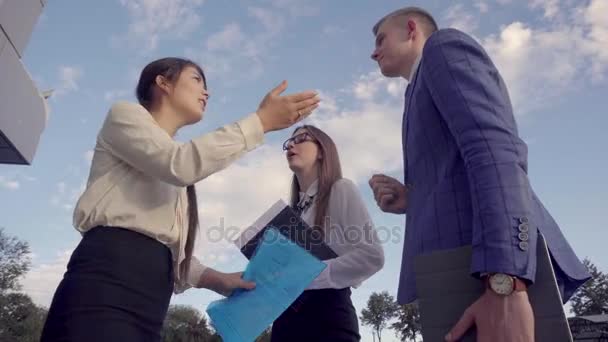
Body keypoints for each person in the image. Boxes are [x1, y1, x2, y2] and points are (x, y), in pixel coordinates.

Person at [40, 57, 320, 342]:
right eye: (197, 79)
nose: (207, 92)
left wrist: (217, 279)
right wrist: (260, 122)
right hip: (106, 280)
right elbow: (180, 164)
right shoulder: (126, 116)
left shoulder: (175, 164)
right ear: (162, 82)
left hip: (153, 300)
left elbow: (172, 251)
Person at [367, 7, 591, 342]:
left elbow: (494, 150)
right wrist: (412, 200)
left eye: (381, 38)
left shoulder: (442, 49)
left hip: (490, 277)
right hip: (460, 281)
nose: (374, 51)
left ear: (411, 28)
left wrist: (506, 283)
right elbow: (456, 178)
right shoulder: (414, 91)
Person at [270, 125, 385, 342]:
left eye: (301, 138)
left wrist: (308, 275)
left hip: (327, 319)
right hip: (285, 322)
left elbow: (372, 256)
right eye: (288, 142)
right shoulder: (291, 214)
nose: (291, 145)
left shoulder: (341, 189)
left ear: (322, 150)